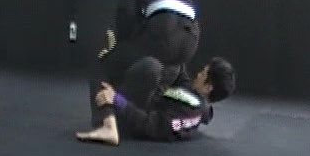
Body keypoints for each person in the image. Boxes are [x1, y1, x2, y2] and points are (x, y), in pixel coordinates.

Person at [91, 0, 201, 124]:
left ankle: (106, 122)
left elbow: (126, 11)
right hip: (191, 38)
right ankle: (147, 114)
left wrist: (119, 44)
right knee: (162, 66)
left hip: (164, 33)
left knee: (105, 63)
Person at [78, 56, 235, 145]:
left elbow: (151, 125)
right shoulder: (195, 96)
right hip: (152, 101)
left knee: (150, 68)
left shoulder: (190, 110)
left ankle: (106, 121)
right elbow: (181, 73)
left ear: (208, 87)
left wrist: (117, 100)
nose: (198, 74)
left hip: (133, 120)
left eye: (203, 74)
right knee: (172, 61)